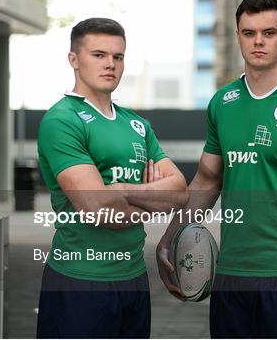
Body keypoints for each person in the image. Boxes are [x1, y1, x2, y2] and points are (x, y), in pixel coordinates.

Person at [157, 0, 277, 338]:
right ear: (239, 35)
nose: (258, 41)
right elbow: (207, 179)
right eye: (249, 33)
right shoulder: (222, 103)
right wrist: (169, 238)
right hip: (229, 275)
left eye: (269, 33)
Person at [36, 17, 188, 338]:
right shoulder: (62, 120)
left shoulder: (137, 124)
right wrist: (153, 200)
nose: (111, 64)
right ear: (74, 60)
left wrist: (121, 190)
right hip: (81, 280)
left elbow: (179, 191)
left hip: (133, 278)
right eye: (99, 55)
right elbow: (98, 210)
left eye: (118, 57)